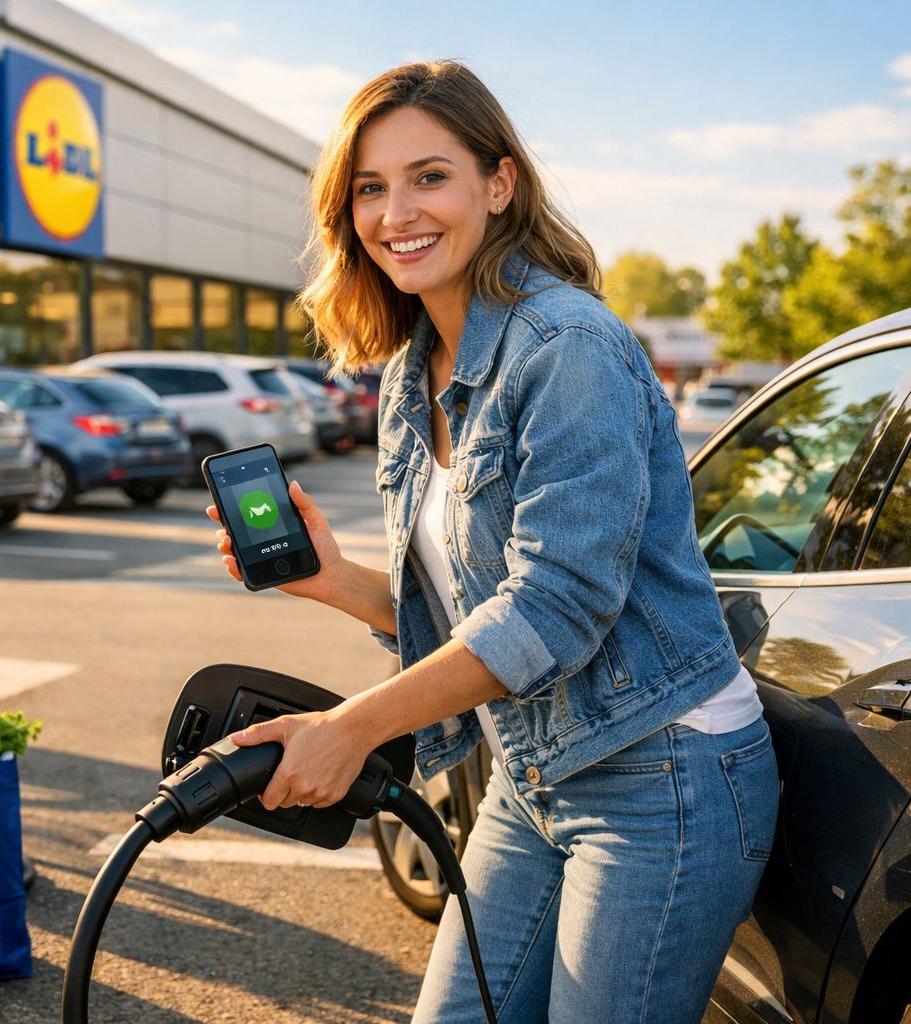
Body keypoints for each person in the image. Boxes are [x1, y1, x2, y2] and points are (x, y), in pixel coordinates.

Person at [205, 61, 778, 1024]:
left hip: (661, 777)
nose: (398, 213)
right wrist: (340, 580)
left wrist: (353, 728)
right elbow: (479, 608)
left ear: (498, 184)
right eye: (371, 189)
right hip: (533, 775)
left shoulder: (567, 348)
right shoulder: (409, 371)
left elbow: (557, 606)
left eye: (430, 176)